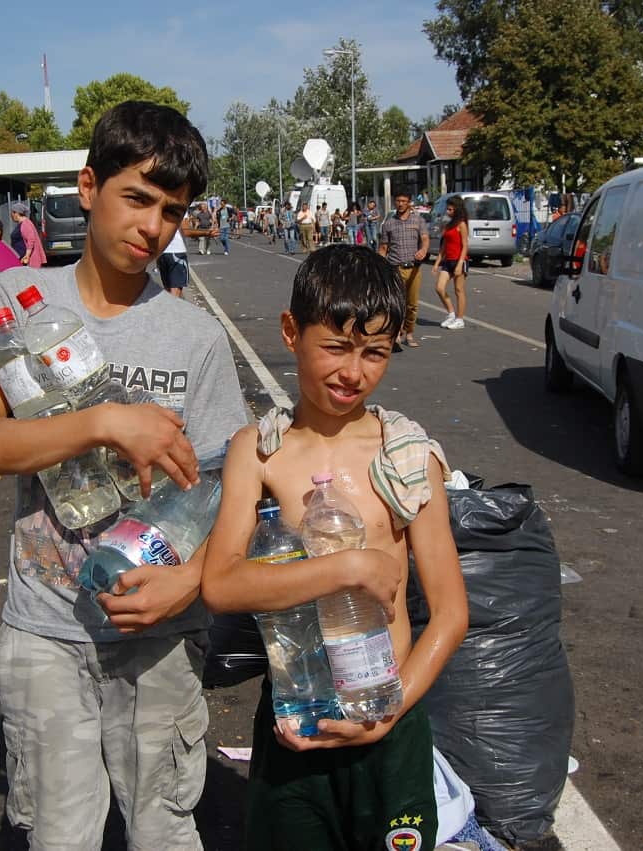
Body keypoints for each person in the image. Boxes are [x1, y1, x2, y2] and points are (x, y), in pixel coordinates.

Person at [0, 100, 248, 850]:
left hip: (161, 632)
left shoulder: (196, 338)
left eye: (173, 211)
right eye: (137, 198)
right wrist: (102, 421)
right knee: (61, 836)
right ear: (89, 187)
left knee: (162, 831)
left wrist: (188, 584)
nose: (153, 227)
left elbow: (233, 488)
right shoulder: (22, 301)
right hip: (45, 628)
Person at [200, 243, 468, 851]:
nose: (354, 372)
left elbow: (450, 614)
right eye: (336, 347)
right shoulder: (259, 451)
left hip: (388, 720)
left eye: (375, 353)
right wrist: (346, 566)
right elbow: (222, 585)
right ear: (291, 332)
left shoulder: (407, 455)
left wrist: (390, 714)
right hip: (297, 716)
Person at [378, 191, 429, 348]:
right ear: (395, 202)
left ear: (409, 202)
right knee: (398, 303)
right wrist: (379, 266)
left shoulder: (418, 220)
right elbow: (384, 247)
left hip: (413, 268)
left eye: (404, 201)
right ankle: (397, 333)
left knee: (412, 304)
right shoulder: (389, 224)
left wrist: (423, 250)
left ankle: (410, 333)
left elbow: (425, 239)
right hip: (395, 268)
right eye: (398, 200)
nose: (400, 204)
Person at [435, 196, 470, 330]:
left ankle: (460, 319)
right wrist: (437, 261)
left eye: (450, 209)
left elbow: (465, 245)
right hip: (448, 260)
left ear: (457, 210)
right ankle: (451, 313)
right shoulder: (448, 225)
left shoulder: (462, 224)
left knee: (458, 290)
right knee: (439, 287)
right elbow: (444, 245)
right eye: (447, 209)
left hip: (459, 260)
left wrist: (460, 263)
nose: (448, 211)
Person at [157, 217, 190, 297]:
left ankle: (170, 308)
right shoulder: (181, 208)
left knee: (168, 289)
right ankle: (173, 309)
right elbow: (187, 232)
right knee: (175, 290)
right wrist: (207, 233)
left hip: (161, 252)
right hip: (176, 251)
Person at [7, 201, 46, 268]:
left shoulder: (25, 224)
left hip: (26, 260)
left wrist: (27, 256)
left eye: (12, 213)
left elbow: (31, 239)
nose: (11, 215)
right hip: (21, 259)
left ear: (16, 213)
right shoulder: (23, 223)